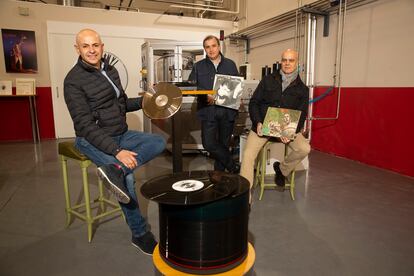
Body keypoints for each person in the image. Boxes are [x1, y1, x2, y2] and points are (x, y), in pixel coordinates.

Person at [64, 29, 166, 255]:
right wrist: (117, 151)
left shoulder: (110, 70)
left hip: (120, 132)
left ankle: (115, 170)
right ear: (78, 49)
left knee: (157, 142)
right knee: (128, 179)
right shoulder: (73, 81)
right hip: (90, 139)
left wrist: (145, 100)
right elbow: (84, 126)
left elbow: (120, 104)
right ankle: (140, 234)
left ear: (102, 46)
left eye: (95, 45)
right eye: (85, 46)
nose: (91, 50)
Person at [240, 49, 310, 193]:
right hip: (263, 127)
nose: (287, 63)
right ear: (281, 62)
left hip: (285, 129)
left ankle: (282, 169)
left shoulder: (303, 89)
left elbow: (302, 114)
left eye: (291, 60)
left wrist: (290, 132)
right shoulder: (268, 80)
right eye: (284, 60)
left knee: (304, 148)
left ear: (297, 63)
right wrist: (258, 122)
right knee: (247, 156)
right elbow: (254, 102)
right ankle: (244, 197)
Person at [189, 35, 240, 173]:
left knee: (223, 145)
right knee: (209, 144)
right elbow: (191, 88)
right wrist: (205, 95)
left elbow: (236, 88)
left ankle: (219, 177)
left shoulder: (230, 64)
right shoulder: (198, 66)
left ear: (219, 46)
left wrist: (220, 97)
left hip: (227, 111)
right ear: (204, 49)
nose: (211, 49)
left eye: (213, 46)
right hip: (208, 111)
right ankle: (233, 166)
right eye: (207, 47)